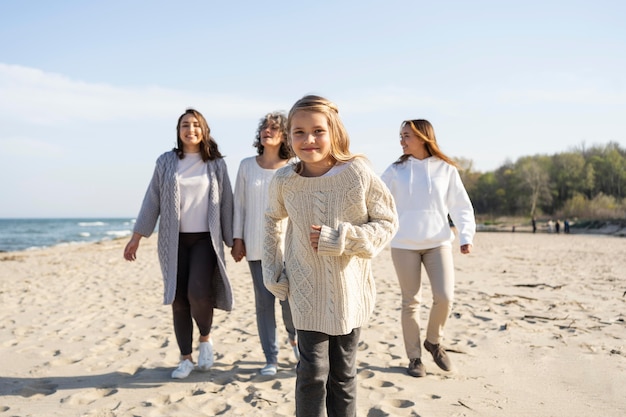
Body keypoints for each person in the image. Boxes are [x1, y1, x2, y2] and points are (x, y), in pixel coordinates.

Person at [263, 95, 398, 417]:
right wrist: (272, 269)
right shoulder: (284, 180)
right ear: (288, 136)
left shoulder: (358, 173)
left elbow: (387, 222)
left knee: (343, 375)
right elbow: (271, 221)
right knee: (311, 372)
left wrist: (342, 238)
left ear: (334, 131)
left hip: (350, 291)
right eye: (299, 132)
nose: (309, 140)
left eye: (318, 131)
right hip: (305, 290)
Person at [123, 108, 234, 379]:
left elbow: (228, 203)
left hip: (206, 240)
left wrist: (234, 240)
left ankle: (205, 339)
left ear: (204, 130)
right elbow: (152, 200)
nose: (191, 129)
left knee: (199, 293)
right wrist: (137, 237)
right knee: (179, 299)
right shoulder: (166, 162)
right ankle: (185, 358)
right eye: (185, 125)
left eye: (196, 125)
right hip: (173, 242)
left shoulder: (216, 163)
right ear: (179, 130)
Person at [381, 119, 475, 378]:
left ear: (423, 137)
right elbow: (374, 201)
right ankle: (414, 358)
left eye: (406, 135)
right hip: (403, 245)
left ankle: (434, 341)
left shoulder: (446, 169)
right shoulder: (394, 171)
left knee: (444, 297)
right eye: (400, 135)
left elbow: (461, 206)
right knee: (411, 301)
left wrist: (466, 235)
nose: (402, 140)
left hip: (438, 243)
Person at [231, 111, 299, 376]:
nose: (267, 131)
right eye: (264, 128)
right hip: (256, 245)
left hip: (288, 247)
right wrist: (237, 238)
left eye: (274, 128)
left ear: (284, 136)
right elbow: (239, 205)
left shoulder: (294, 165)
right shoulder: (247, 165)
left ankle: (295, 340)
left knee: (290, 303)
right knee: (264, 303)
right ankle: (270, 358)